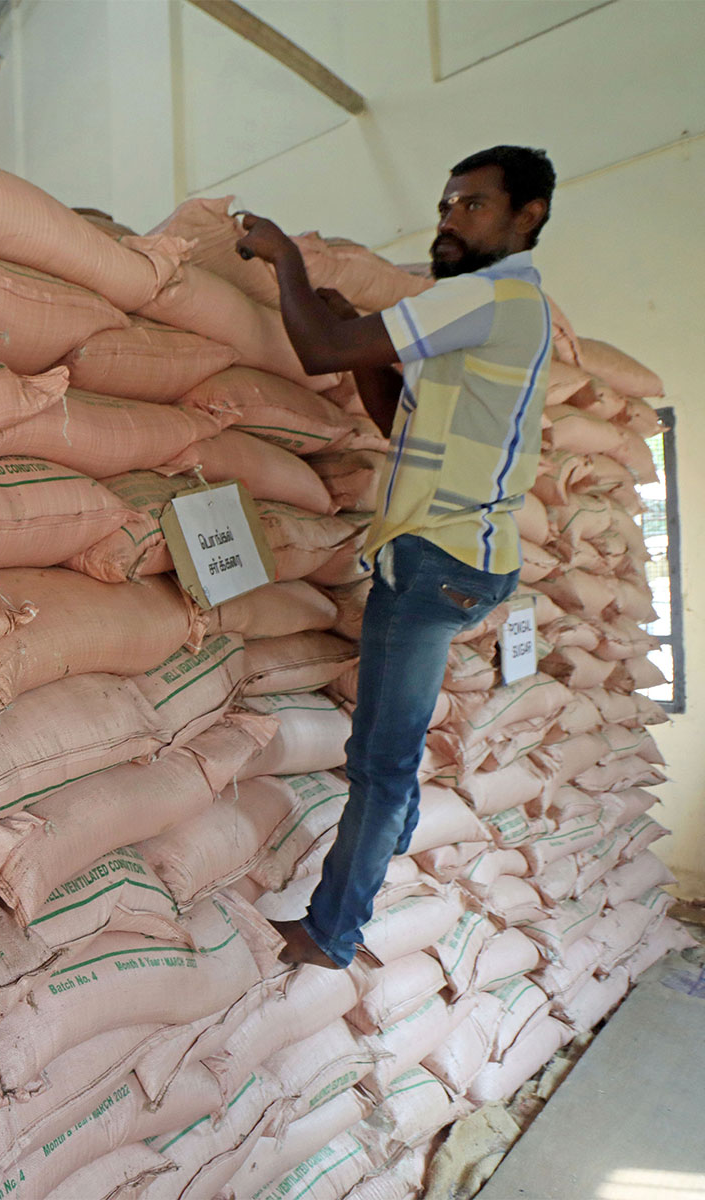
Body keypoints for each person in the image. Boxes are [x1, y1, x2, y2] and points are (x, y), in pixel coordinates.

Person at [232, 145, 557, 969]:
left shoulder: (490, 298)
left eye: (474, 206)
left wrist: (288, 264)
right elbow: (396, 423)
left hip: (436, 562)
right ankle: (386, 857)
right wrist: (361, 343)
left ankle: (333, 929)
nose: (451, 220)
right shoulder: (478, 310)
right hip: (448, 557)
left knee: (380, 760)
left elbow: (316, 348)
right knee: (387, 751)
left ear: (529, 218)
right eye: (447, 205)